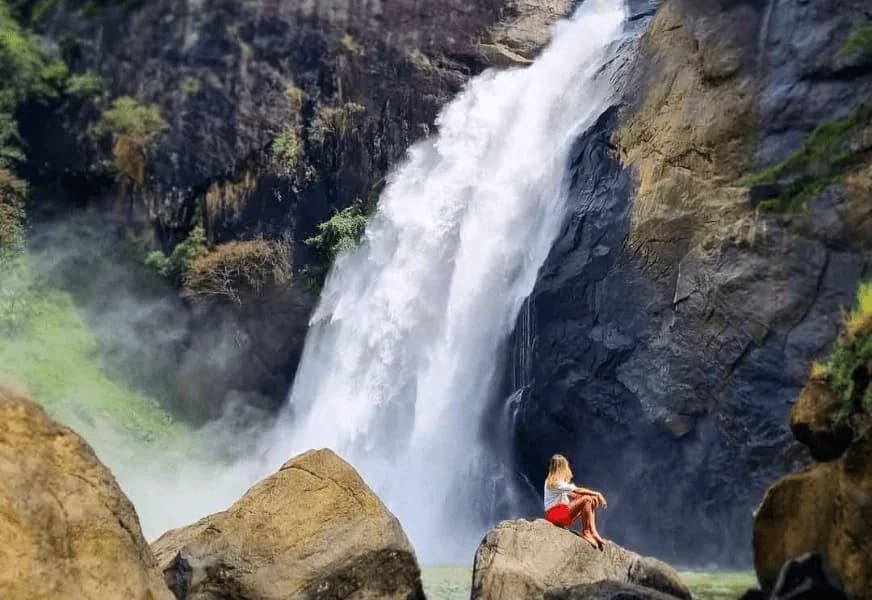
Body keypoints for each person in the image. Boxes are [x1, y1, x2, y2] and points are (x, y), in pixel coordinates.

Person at [543, 453, 608, 549]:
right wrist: (597, 494)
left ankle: (592, 531)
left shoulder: (558, 483)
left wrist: (593, 498)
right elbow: (577, 490)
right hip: (555, 515)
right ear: (561, 467)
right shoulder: (555, 482)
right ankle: (586, 532)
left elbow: (575, 495)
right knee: (587, 499)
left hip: (560, 515)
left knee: (589, 499)